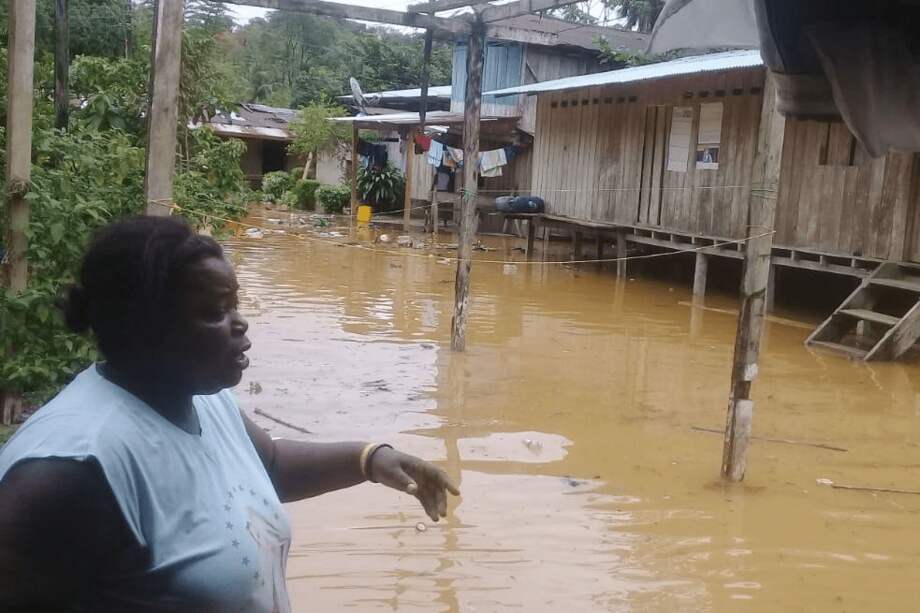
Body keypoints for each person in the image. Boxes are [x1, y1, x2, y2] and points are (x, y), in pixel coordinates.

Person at [0, 216, 460, 612]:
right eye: (215, 311)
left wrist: (370, 459)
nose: (240, 323)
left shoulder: (197, 396)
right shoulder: (69, 471)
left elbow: (268, 466)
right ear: (145, 323)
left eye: (234, 304)